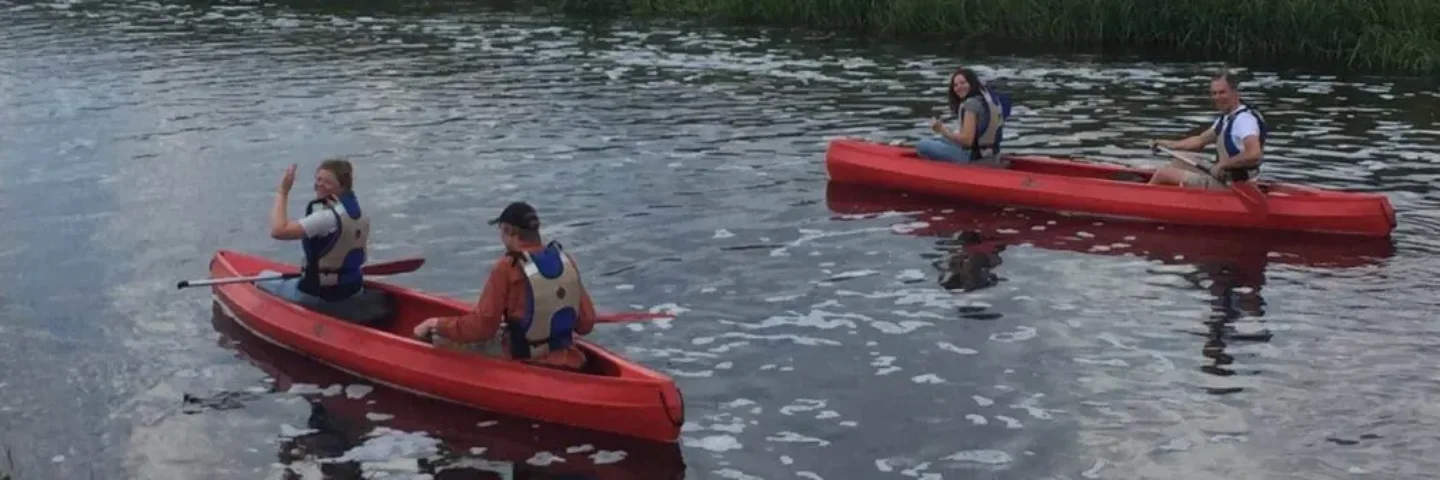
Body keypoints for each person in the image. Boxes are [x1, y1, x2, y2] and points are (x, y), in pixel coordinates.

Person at [412, 202, 598, 372]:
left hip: (520, 353)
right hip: (567, 354)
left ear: (511, 232)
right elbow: (586, 323)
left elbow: (483, 327)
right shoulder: (566, 262)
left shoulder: (506, 267)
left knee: (436, 338)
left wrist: (437, 324)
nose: (501, 237)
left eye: (501, 231)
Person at [258, 159, 388, 326]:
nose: (319, 185)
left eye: (327, 182)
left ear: (342, 185)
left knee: (261, 279)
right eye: (318, 180)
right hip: (354, 289)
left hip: (320, 294)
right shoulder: (361, 213)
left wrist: (282, 192)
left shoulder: (326, 217)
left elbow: (278, 230)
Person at [1148, 71, 1268, 189]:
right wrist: (1167, 144)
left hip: (1234, 186)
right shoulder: (1227, 117)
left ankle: (1145, 199)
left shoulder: (1244, 120)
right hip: (1224, 177)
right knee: (1179, 161)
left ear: (1235, 93)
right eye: (1214, 93)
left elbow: (1254, 154)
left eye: (1222, 92)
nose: (1217, 97)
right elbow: (1199, 141)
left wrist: (1223, 164)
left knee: (1163, 174)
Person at [915, 66, 1013, 166]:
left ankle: (943, 170)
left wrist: (943, 131)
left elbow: (967, 141)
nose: (959, 87)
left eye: (963, 83)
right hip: (991, 154)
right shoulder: (984, 101)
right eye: (955, 85)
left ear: (971, 83)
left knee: (922, 144)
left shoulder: (970, 105)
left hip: (973, 158)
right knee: (938, 140)